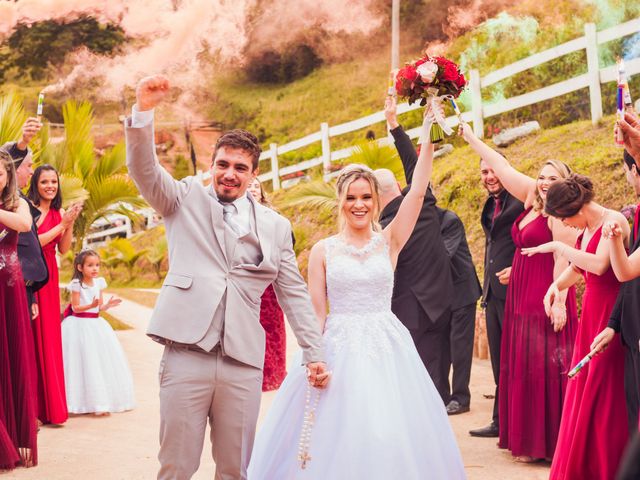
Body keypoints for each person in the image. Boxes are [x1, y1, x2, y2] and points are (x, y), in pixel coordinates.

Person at [125, 75, 328, 480]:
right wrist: (144, 108)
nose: (229, 174)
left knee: (236, 469)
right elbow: (144, 170)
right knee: (176, 466)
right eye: (222, 165)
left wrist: (314, 351)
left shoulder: (274, 225)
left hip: (242, 361)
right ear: (211, 165)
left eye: (240, 168)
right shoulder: (182, 199)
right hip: (186, 354)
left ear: (253, 174)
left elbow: (293, 294)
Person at [248, 106, 466, 479]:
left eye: (366, 197)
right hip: (338, 346)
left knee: (387, 432)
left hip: (387, 346)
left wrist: (427, 135)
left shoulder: (390, 240)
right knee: (337, 432)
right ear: (341, 202)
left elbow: (417, 191)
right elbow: (316, 312)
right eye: (351, 198)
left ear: (376, 201)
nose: (360, 204)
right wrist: (312, 357)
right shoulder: (323, 251)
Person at [461, 123, 578, 461]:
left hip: (545, 294)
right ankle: (528, 441)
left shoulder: (561, 212)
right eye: (542, 176)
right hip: (519, 293)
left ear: (565, 185)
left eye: (552, 178)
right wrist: (470, 138)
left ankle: (549, 443)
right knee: (524, 366)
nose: (544, 182)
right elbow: (502, 166)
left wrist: (558, 301)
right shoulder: (532, 198)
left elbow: (564, 258)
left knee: (544, 366)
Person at [521, 174, 629, 479]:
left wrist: (557, 245)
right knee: (583, 388)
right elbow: (579, 269)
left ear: (576, 209)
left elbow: (599, 264)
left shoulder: (613, 220)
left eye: (563, 220)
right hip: (590, 314)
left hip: (612, 314)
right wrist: (555, 286)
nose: (565, 227)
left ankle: (606, 466)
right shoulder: (586, 228)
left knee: (604, 393)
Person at [375, 95, 454, 403]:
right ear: (398, 184)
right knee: (436, 372)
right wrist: (395, 126)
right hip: (441, 300)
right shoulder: (423, 204)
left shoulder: (381, 231)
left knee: (410, 377)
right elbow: (415, 164)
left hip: (406, 310)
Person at [469, 156, 524, 437]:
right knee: (498, 361)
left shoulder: (522, 201)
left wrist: (519, 269)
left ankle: (513, 421)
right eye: (484, 172)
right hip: (492, 293)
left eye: (493, 170)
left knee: (515, 360)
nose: (489, 176)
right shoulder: (491, 203)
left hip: (517, 290)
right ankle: (500, 421)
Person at [590, 150, 640, 434]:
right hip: (631, 331)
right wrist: (614, 325)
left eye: (626, 169)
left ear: (634, 170)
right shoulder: (637, 211)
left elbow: (625, 271)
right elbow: (630, 282)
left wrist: (614, 240)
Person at [27, 164, 81, 425]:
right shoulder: (29, 210)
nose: (50, 186)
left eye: (53, 182)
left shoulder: (58, 212)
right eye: (44, 182)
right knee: (33, 339)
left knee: (49, 337)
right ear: (35, 184)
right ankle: (34, 409)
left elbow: (64, 249)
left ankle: (52, 408)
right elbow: (35, 242)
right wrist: (63, 225)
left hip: (51, 277)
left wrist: (68, 224)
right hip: (32, 276)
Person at [0, 149, 39, 470]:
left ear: (7, 176)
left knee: (11, 355)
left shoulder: (18, 203)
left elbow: (24, 225)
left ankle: (13, 438)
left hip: (9, 287)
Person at [61, 249, 135, 415]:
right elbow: (75, 308)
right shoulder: (76, 285)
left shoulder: (99, 283)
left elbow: (99, 306)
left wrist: (107, 306)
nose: (95, 269)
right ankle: (77, 402)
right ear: (80, 268)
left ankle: (101, 402)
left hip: (96, 324)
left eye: (97, 265)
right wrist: (90, 305)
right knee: (82, 361)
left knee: (98, 361)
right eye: (90, 265)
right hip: (79, 325)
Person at [436, 206, 482, 415]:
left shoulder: (449, 220)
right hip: (440, 295)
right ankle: (441, 396)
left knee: (460, 348)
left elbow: (443, 255)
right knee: (440, 347)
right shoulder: (415, 223)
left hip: (462, 291)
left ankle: (461, 398)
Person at [1, 118, 48, 321]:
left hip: (15, 287)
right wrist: (22, 142)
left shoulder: (16, 202)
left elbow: (24, 248)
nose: (31, 171)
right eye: (28, 166)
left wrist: (29, 295)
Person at [247, 178, 287, 391]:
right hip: (249, 280)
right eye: (249, 186)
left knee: (273, 326)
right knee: (253, 327)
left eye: (256, 186)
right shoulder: (238, 215)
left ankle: (275, 371)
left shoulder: (274, 216)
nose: (253, 189)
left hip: (270, 283)